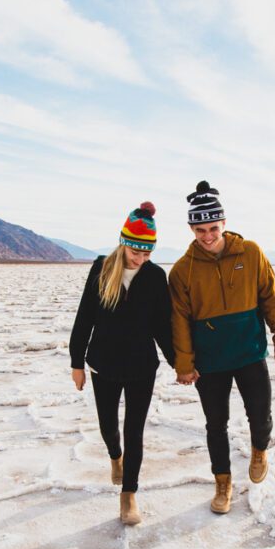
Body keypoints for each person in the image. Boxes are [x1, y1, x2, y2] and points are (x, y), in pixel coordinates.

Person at [168, 181, 275, 514]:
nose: (207, 235)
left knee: (260, 415)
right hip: (211, 361)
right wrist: (184, 363)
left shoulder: (250, 253)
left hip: (249, 351)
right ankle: (222, 482)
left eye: (213, 228)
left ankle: (259, 450)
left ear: (223, 224)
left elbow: (271, 295)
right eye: (200, 229)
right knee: (215, 424)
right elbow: (178, 320)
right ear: (191, 228)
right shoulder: (182, 270)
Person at [69, 201, 174, 526]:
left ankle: (129, 494)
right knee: (108, 427)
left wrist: (180, 362)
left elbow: (162, 326)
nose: (140, 259)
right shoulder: (102, 268)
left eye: (147, 253)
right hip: (104, 364)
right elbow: (84, 316)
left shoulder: (156, 276)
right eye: (135, 251)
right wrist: (77, 362)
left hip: (142, 366)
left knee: (135, 430)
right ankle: (116, 456)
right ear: (123, 242)